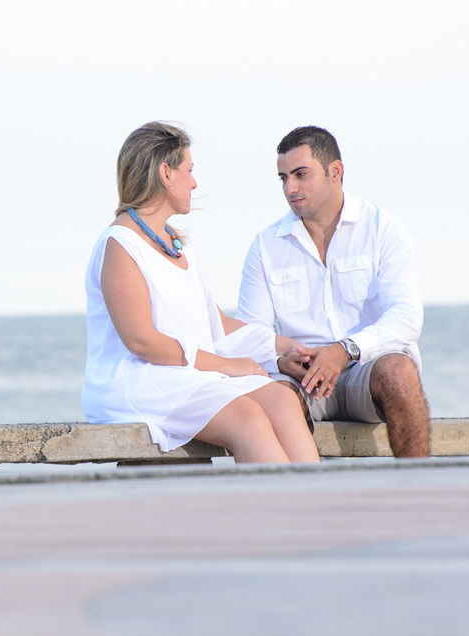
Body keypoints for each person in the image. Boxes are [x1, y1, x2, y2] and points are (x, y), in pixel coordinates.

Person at [82, 122, 318, 464]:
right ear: (165, 172)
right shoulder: (120, 244)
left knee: (282, 400)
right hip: (136, 380)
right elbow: (142, 342)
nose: (194, 182)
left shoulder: (176, 246)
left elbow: (215, 324)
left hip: (183, 373)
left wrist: (284, 347)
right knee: (247, 419)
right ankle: (275, 516)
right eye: (188, 170)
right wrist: (226, 365)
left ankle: (315, 509)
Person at [236, 125, 430, 457]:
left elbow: (407, 317)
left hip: (365, 371)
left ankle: (418, 492)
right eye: (283, 178)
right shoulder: (265, 246)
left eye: (300, 174)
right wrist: (281, 361)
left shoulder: (383, 229)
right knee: (270, 395)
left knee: (399, 371)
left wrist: (344, 351)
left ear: (335, 172)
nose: (290, 188)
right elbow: (251, 333)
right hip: (304, 382)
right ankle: (296, 503)